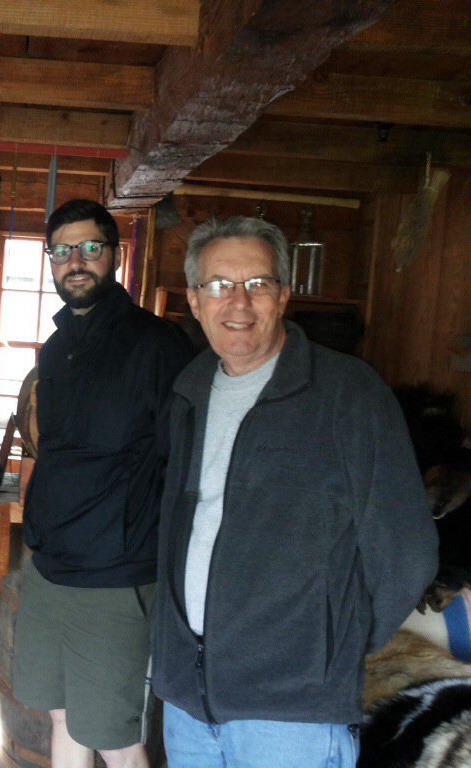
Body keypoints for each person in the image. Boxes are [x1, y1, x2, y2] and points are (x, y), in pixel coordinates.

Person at [152, 215, 439, 768]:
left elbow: (407, 551)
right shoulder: (189, 390)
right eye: (219, 284)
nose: (239, 302)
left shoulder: (348, 393)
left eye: (258, 283)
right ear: (194, 300)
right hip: (188, 702)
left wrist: (331, 650)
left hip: (291, 714)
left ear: (283, 295)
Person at [13, 199, 194, 768]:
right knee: (61, 714)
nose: (76, 262)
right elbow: (51, 451)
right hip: (50, 565)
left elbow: (182, 462)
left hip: (116, 575)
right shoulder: (55, 350)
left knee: (115, 736)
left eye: (90, 248)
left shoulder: (158, 345)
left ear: (114, 256)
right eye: (62, 251)